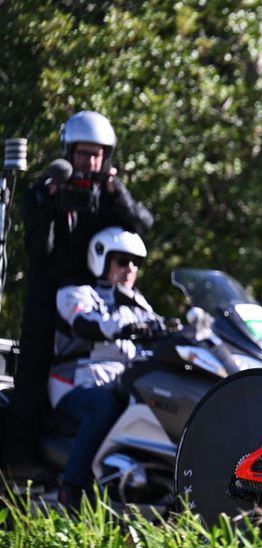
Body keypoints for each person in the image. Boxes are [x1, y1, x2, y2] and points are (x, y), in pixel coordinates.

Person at [3, 111, 154, 484]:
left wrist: (116, 192)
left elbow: (144, 225)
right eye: (84, 154)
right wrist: (48, 204)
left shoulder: (110, 194)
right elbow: (40, 249)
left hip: (91, 294)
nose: (91, 162)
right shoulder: (44, 192)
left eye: (98, 155)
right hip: (48, 292)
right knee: (35, 369)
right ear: (69, 153)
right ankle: (17, 460)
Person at [49, 227, 162, 508]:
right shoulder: (76, 292)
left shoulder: (137, 302)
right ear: (102, 258)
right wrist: (127, 326)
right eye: (122, 260)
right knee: (104, 406)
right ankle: (71, 489)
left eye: (135, 263)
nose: (130, 268)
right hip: (74, 384)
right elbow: (85, 323)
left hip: (119, 383)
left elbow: (158, 326)